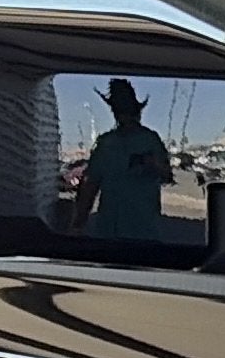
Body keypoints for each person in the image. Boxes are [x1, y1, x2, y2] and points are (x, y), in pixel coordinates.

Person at [73, 77, 178, 244]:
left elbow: (167, 175)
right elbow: (90, 184)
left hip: (137, 230)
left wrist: (79, 223)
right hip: (121, 229)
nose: (124, 116)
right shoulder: (107, 143)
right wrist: (79, 223)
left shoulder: (147, 140)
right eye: (121, 110)